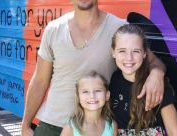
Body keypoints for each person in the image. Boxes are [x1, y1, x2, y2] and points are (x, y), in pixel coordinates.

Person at [21, 0, 165, 136]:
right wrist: (25, 124)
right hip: (52, 125)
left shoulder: (118, 28)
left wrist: (157, 74)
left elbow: (153, 61)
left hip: (96, 128)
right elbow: (40, 80)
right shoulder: (53, 29)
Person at [109, 24, 177, 136]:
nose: (129, 58)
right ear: (113, 52)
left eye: (136, 51)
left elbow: (174, 132)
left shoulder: (157, 85)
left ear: (144, 54)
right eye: (122, 51)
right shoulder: (115, 79)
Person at [61, 71, 117, 136]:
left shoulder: (112, 126)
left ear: (107, 95)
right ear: (78, 97)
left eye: (97, 90)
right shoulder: (70, 128)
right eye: (85, 92)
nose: (92, 96)